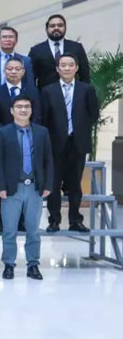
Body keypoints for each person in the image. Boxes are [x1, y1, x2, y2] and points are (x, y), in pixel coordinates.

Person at [0, 94, 53, 280]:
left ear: (31, 110)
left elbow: (48, 160)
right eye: (19, 106)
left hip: (35, 188)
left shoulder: (42, 132)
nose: (23, 109)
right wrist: (0, 186)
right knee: (9, 230)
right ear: (12, 111)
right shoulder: (3, 133)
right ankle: (9, 264)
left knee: (33, 230)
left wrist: (48, 184)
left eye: (27, 106)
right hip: (12, 188)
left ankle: (33, 264)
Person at [41, 53, 99, 233]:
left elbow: (93, 114)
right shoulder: (48, 91)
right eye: (63, 65)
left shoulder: (86, 89)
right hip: (55, 143)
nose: (67, 68)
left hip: (77, 143)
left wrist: (79, 129)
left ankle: (75, 220)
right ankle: (54, 220)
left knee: (75, 184)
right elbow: (44, 118)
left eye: (70, 65)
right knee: (54, 184)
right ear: (57, 69)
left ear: (77, 68)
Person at [0, 57, 41, 232]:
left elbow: (37, 115)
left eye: (17, 68)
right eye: (10, 69)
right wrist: (9, 133)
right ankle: (3, 219)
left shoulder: (32, 92)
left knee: (25, 181)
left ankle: (22, 220)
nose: (13, 72)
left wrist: (26, 131)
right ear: (4, 71)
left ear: (23, 72)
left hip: (28, 141)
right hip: (3, 142)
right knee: (2, 180)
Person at [28, 14, 91, 90]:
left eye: (60, 25)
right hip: (45, 95)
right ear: (46, 29)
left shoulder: (76, 47)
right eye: (52, 26)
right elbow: (30, 78)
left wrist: (85, 93)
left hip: (73, 93)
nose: (56, 28)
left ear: (65, 28)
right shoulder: (36, 50)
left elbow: (84, 74)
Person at [0, 27, 35, 94]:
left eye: (11, 37)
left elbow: (30, 84)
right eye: (4, 37)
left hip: (19, 98)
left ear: (16, 41)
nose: (7, 39)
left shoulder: (26, 61)